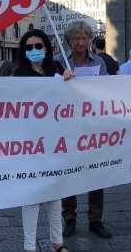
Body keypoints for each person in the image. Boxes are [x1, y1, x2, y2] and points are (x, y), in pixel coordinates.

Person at [14, 29, 74, 252]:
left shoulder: (57, 69)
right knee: (31, 195)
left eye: (38, 46)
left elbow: (69, 100)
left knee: (54, 193)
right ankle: (30, 246)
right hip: (29, 144)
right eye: (29, 47)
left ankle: (57, 243)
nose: (34, 50)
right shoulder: (18, 74)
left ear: (47, 48)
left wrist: (71, 81)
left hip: (54, 141)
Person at [54, 21, 111, 239]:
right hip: (67, 127)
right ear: (69, 41)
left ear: (89, 40)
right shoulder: (59, 61)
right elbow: (50, 87)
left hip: (93, 125)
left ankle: (95, 219)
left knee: (97, 172)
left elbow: (107, 88)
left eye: (84, 38)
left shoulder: (98, 61)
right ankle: (69, 218)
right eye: (76, 38)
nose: (80, 42)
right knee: (69, 173)